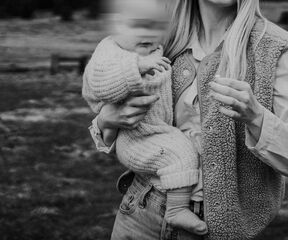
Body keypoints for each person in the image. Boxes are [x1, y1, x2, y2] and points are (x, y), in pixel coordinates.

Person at [89, 0, 288, 239]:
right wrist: (107, 120)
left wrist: (257, 117)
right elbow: (112, 89)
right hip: (141, 211)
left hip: (216, 229)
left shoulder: (276, 48)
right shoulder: (162, 37)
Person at [83, 0, 207, 235]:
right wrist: (139, 65)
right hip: (138, 140)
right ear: (117, 26)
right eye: (138, 26)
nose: (147, 34)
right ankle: (177, 209)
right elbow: (100, 84)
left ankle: (175, 207)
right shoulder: (111, 50)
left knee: (180, 149)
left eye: (154, 27)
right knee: (179, 153)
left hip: (157, 131)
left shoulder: (156, 47)